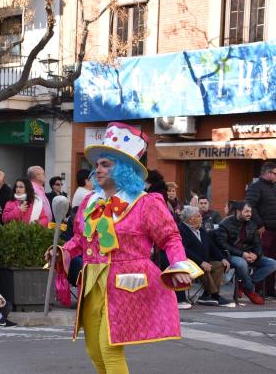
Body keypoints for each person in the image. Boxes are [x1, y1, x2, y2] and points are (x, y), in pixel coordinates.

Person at [48, 122, 198, 374]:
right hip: (93, 281)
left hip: (126, 283)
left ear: (125, 169)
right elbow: (81, 239)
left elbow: (170, 237)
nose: (97, 169)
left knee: (110, 348)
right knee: (94, 351)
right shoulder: (89, 202)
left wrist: (178, 265)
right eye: (97, 165)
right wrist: (62, 251)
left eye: (105, 164)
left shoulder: (145, 203)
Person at [214, 202, 276, 305]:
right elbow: (222, 244)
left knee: (272, 264)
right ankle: (251, 290)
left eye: (250, 211)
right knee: (242, 263)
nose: (249, 214)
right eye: (246, 211)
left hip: (249, 254)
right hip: (230, 255)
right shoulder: (225, 223)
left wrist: (256, 255)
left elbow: (258, 244)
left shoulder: (252, 224)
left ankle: (244, 286)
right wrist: (242, 254)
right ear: (238, 211)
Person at [178, 206, 233, 307]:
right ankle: (215, 295)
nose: (201, 218)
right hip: (190, 263)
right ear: (191, 219)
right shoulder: (181, 230)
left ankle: (206, 295)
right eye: (198, 216)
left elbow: (212, 246)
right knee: (203, 268)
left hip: (204, 261)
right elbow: (184, 250)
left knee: (219, 265)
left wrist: (222, 258)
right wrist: (200, 262)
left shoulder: (201, 229)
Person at [245, 162, 276, 298]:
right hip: (264, 230)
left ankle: (270, 289)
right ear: (267, 173)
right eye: (275, 173)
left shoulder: (273, 187)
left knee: (274, 260)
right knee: (263, 258)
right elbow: (250, 205)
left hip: (274, 229)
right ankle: (259, 288)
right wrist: (259, 224)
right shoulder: (255, 187)